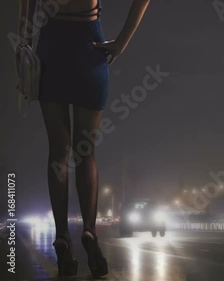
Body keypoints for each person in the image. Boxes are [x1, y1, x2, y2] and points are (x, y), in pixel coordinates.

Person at [16, 0, 150, 277]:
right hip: (89, 47)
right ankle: (89, 231)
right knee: (85, 151)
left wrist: (24, 52)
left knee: (58, 152)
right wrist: (123, 40)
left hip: (51, 47)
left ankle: (63, 239)